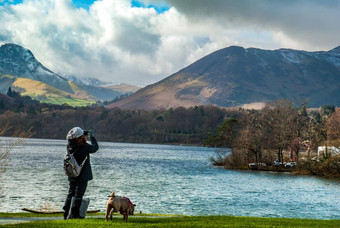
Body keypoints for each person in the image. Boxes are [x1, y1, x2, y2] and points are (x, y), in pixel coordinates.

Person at [63, 127, 99, 219]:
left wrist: (83, 135)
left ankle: (66, 212)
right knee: (78, 194)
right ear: (80, 137)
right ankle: (75, 214)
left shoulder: (69, 145)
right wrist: (92, 137)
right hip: (82, 175)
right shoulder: (84, 146)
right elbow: (95, 148)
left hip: (72, 173)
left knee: (71, 193)